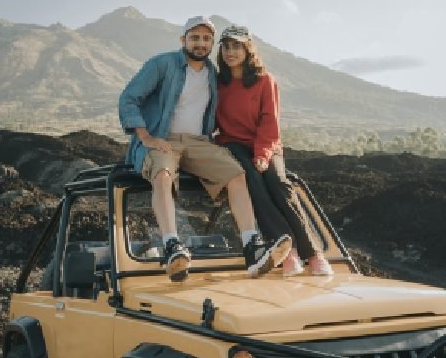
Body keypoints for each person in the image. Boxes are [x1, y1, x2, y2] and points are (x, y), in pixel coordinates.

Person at [119, 16, 291, 282]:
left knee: (236, 174)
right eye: (195, 38)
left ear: (212, 44)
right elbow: (129, 98)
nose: (200, 43)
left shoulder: (213, 74)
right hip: (164, 139)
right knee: (163, 175)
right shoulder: (161, 64)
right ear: (183, 39)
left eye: (206, 39)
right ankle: (172, 245)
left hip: (199, 142)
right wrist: (146, 137)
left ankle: (252, 247)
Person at [215, 24, 334, 278]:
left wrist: (262, 155)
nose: (230, 52)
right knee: (252, 182)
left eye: (236, 46)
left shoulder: (265, 81)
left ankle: (314, 254)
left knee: (278, 182)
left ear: (248, 49)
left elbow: (269, 121)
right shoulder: (217, 83)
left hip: (266, 143)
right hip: (233, 143)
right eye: (226, 47)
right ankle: (287, 252)